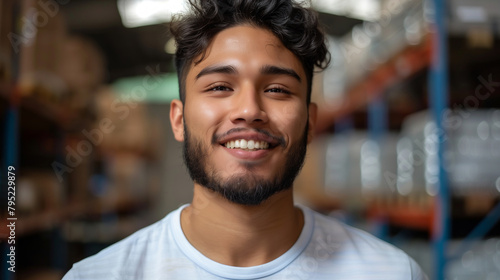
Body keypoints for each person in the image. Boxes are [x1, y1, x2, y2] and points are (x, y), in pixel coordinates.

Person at [63, 0, 428, 279]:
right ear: (178, 119)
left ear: (311, 122)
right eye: (220, 86)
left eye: (277, 89)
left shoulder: (389, 273)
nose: (249, 109)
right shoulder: (105, 274)